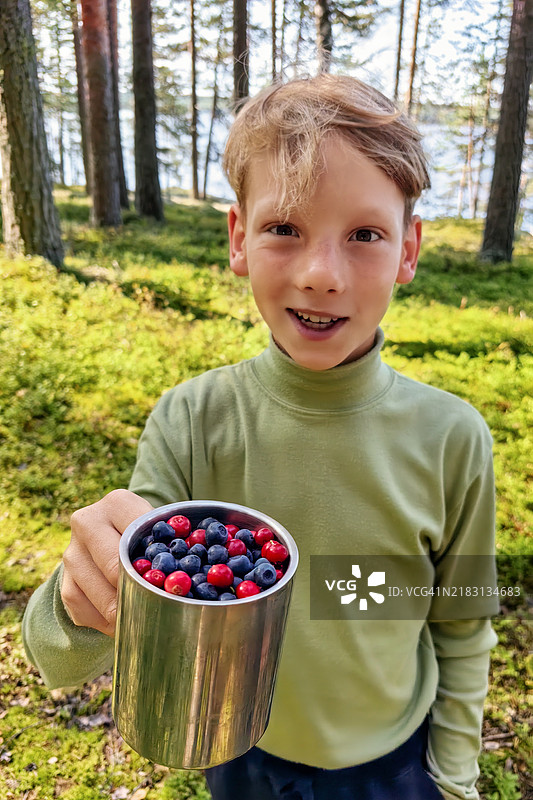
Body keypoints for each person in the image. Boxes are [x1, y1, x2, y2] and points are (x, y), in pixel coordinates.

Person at [22, 74, 499, 800]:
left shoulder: (451, 439)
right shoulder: (192, 421)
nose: (321, 275)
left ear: (408, 249)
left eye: (364, 235)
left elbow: (462, 622)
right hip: (242, 753)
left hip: (395, 767)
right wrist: (79, 598)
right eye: (284, 228)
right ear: (238, 237)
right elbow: (59, 655)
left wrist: (455, 778)